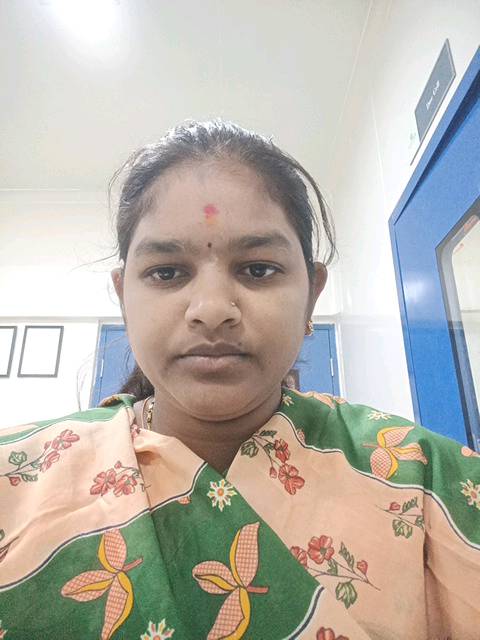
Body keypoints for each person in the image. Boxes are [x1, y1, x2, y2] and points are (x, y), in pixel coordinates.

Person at [0, 120, 478, 640]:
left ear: (312, 295)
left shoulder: (422, 479)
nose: (211, 310)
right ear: (123, 296)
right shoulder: (14, 479)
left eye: (257, 269)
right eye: (167, 272)